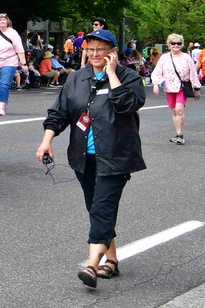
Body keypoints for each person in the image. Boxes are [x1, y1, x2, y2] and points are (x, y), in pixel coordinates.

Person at [36, 28, 145, 288]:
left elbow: (127, 105)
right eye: (90, 49)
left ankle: (92, 267)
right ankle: (112, 261)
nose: (95, 54)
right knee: (96, 209)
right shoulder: (76, 79)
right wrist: (47, 140)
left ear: (112, 52)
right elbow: (59, 113)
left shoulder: (129, 77)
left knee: (101, 209)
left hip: (116, 156)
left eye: (101, 49)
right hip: (83, 157)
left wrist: (111, 75)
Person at [150, 33, 201, 145]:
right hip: (169, 87)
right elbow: (157, 71)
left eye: (178, 43)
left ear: (182, 44)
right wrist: (156, 84)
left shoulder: (187, 57)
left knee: (179, 109)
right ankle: (177, 133)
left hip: (182, 87)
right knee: (173, 110)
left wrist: (196, 88)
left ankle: (180, 134)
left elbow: (193, 73)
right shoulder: (164, 57)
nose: (176, 45)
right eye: (173, 43)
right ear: (169, 45)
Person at [0, 12, 29, 116]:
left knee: (3, 84)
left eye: (4, 19)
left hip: (9, 61)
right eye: (0, 20)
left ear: (7, 21)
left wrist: (24, 64)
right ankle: (4, 100)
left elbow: (19, 50)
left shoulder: (13, 33)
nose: (2, 21)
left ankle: (2, 107)